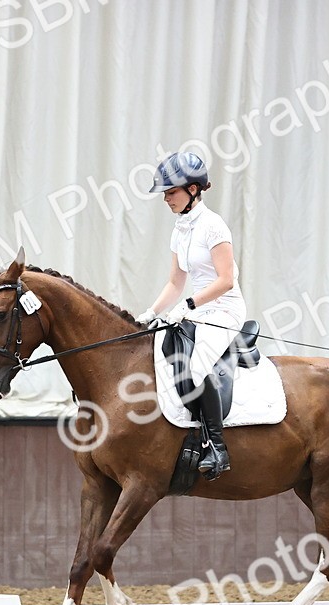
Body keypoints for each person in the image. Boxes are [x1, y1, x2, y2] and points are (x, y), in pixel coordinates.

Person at [136, 152, 245, 480]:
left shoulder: (213, 226)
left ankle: (218, 447)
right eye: (165, 193)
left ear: (194, 190)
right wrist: (152, 312)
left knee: (195, 367)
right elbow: (175, 282)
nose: (166, 198)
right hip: (194, 308)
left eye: (171, 192)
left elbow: (226, 280)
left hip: (223, 309)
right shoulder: (180, 229)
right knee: (166, 354)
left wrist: (189, 306)